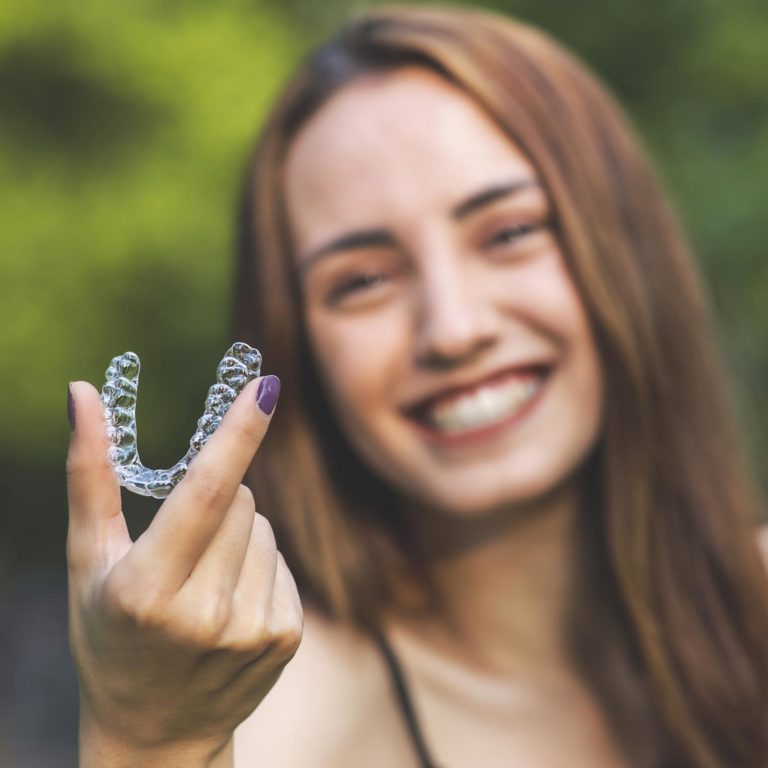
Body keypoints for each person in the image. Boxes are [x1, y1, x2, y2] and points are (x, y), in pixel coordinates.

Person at [65, 6, 768, 768]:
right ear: (297, 349)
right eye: (362, 280)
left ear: (627, 250)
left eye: (508, 232)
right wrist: (149, 743)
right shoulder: (268, 727)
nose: (454, 329)